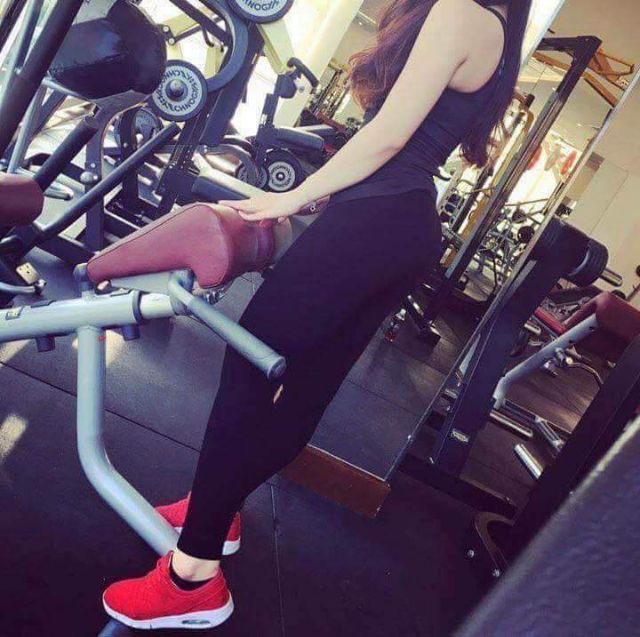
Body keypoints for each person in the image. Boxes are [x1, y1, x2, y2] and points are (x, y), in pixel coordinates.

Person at [103, 0, 533, 629]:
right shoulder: (497, 26)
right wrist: (321, 196)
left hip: (376, 218)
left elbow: (389, 136)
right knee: (305, 391)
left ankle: (192, 576)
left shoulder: (460, 11)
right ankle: (215, 514)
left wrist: (294, 196)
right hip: (403, 222)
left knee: (250, 364)